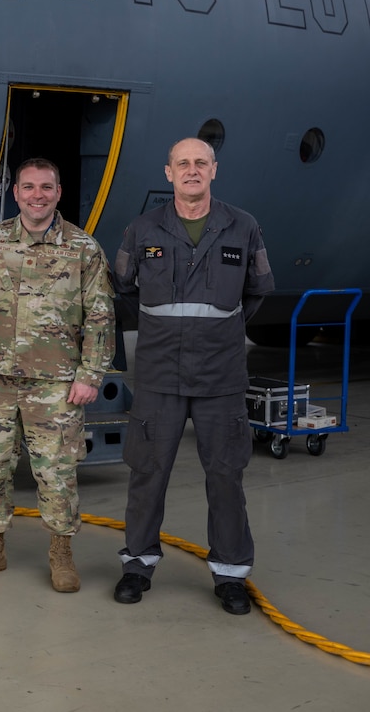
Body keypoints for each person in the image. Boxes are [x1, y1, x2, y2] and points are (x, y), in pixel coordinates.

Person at [112, 137, 274, 615]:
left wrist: (219, 334)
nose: (192, 170)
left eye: (201, 163)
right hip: (159, 374)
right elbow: (122, 287)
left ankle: (230, 575)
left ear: (214, 170)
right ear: (168, 173)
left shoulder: (242, 227)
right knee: (148, 472)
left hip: (221, 377)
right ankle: (137, 566)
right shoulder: (142, 229)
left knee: (226, 476)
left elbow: (259, 289)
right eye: (182, 163)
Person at [0, 158, 115, 592]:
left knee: (57, 472)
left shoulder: (83, 249)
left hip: (56, 383)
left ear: (58, 192)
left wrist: (90, 374)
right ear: (16, 192)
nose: (37, 195)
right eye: (28, 187)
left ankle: (61, 555)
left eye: (46, 187)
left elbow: (100, 317)